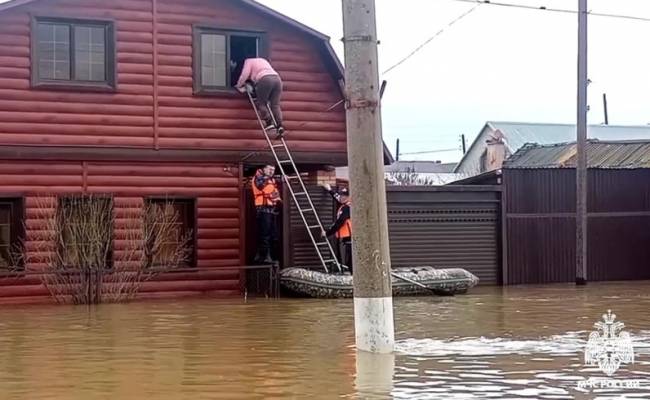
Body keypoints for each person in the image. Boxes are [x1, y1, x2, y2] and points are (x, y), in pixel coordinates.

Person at [235, 57, 285, 138]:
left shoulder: (248, 61)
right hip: (277, 79)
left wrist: (238, 85)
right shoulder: (262, 60)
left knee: (261, 103)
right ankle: (279, 126)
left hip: (265, 79)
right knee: (275, 105)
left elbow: (244, 75)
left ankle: (269, 122)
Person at [251, 165, 281, 264]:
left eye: (273, 170)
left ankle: (271, 256)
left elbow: (274, 193)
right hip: (263, 210)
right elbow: (261, 186)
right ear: (263, 169)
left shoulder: (271, 179)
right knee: (265, 235)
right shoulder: (258, 178)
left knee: (274, 235)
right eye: (270, 169)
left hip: (271, 210)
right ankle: (263, 257)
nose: (272, 171)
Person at [322, 184, 353, 273]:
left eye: (345, 195)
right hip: (346, 238)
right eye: (342, 195)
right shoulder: (346, 204)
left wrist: (327, 233)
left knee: (349, 261)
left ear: (350, 196)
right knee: (345, 259)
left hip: (349, 238)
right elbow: (338, 198)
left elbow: (339, 222)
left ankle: (351, 278)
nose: (343, 197)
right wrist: (329, 190)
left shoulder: (347, 208)